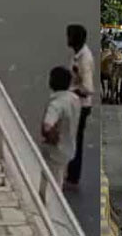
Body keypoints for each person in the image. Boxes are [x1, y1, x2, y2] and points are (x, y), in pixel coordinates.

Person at [39, 66, 81, 195]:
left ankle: (49, 206)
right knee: (59, 177)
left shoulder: (56, 104)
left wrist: (50, 137)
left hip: (55, 150)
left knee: (51, 182)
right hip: (69, 147)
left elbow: (47, 125)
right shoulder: (74, 99)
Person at [65, 24, 93, 187]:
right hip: (77, 104)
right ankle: (72, 172)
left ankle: (73, 174)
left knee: (74, 139)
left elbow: (88, 88)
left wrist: (72, 91)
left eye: (69, 36)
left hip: (80, 105)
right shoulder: (78, 55)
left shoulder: (84, 60)